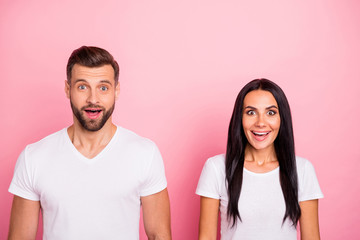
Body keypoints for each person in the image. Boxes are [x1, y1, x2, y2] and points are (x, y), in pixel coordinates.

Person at [8, 46, 171, 240]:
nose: (93, 99)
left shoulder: (144, 153)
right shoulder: (34, 157)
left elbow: (159, 235)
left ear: (116, 90)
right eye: (82, 87)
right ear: (68, 89)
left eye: (103, 88)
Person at [196, 79, 323, 239]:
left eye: (270, 113)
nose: (261, 123)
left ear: (281, 119)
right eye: (251, 112)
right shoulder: (216, 167)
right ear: (239, 119)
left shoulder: (302, 170)